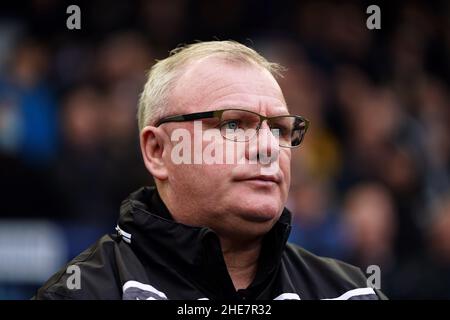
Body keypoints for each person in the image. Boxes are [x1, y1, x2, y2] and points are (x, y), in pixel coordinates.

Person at [34, 41, 386, 300]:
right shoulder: (81, 294)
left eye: (279, 128)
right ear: (157, 151)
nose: (267, 148)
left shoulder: (353, 294)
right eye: (233, 125)